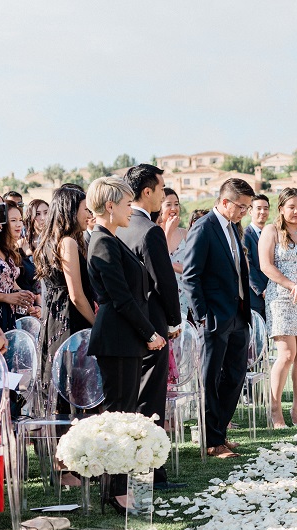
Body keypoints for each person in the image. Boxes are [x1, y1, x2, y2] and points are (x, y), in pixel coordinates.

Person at [86, 177, 165, 513]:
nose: (129, 210)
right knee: (119, 416)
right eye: (124, 203)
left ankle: (117, 487)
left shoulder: (111, 239)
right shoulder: (102, 242)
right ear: (109, 206)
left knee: (126, 414)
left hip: (125, 338)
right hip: (117, 338)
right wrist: (150, 332)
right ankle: (116, 491)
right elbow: (121, 298)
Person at [118, 165, 184, 490]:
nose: (163, 195)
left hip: (129, 325)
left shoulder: (120, 228)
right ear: (147, 191)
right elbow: (165, 283)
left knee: (135, 399)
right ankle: (153, 474)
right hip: (155, 324)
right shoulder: (149, 231)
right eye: (161, 189)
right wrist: (174, 321)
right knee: (151, 401)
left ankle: (136, 468)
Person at [182, 178, 253, 459]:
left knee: (235, 376)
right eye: (241, 207)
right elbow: (190, 276)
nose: (243, 212)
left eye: (246, 208)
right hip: (214, 317)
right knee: (210, 379)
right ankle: (212, 441)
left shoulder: (232, 228)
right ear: (225, 202)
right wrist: (203, 316)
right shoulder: (204, 228)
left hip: (237, 314)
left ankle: (220, 433)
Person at [33, 184, 96, 408]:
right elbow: (77, 295)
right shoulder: (67, 242)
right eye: (84, 209)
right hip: (70, 322)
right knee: (72, 384)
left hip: (54, 321)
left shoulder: (48, 242)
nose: (88, 214)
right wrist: (96, 324)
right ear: (71, 210)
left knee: (59, 380)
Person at [259, 188, 297, 428]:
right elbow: (265, 265)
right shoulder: (271, 231)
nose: (296, 211)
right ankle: (275, 408)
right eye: (291, 207)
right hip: (280, 297)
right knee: (287, 354)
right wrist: (293, 285)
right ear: (281, 208)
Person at [0, 200, 35, 332]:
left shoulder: (7, 250)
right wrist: (6, 297)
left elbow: (10, 282)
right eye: (13, 220)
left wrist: (25, 297)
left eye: (20, 220)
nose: (19, 224)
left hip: (9, 315)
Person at [158, 188, 191, 322]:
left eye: (176, 204)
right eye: (168, 204)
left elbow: (192, 267)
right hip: (165, 297)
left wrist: (171, 266)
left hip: (186, 295)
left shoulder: (185, 234)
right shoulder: (154, 232)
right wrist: (169, 232)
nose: (174, 208)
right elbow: (159, 262)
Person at [243, 194, 270, 320]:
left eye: (266, 208)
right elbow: (248, 265)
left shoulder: (272, 234)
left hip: (273, 295)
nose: (262, 212)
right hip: (255, 297)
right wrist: (262, 290)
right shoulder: (244, 235)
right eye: (258, 208)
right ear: (250, 211)